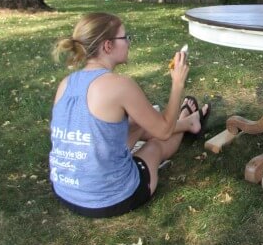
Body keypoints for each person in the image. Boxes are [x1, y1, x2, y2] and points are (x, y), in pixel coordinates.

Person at [49, 12, 210, 218]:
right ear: (108, 46)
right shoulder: (119, 85)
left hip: (66, 190)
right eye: (125, 38)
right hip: (111, 199)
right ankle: (188, 121)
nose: (128, 42)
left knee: (137, 121)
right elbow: (163, 130)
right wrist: (177, 83)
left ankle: (189, 122)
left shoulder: (66, 83)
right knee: (155, 146)